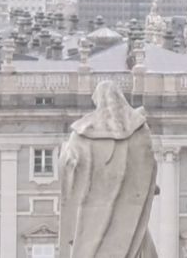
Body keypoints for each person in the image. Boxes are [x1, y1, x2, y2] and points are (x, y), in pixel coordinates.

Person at [59, 81, 159, 258]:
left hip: (91, 213)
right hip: (130, 211)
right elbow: (149, 164)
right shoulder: (139, 129)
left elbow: (70, 165)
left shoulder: (82, 133)